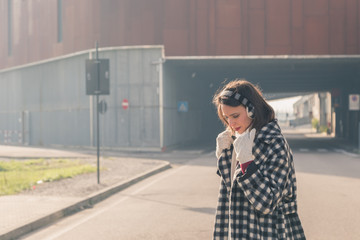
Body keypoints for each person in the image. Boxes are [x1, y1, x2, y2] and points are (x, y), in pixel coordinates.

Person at [212, 79, 306, 240]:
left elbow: (267, 203)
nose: (231, 123)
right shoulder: (237, 141)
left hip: (269, 232)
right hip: (238, 230)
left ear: (251, 110)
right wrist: (223, 156)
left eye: (235, 116)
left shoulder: (274, 143)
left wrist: (247, 163)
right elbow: (232, 192)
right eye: (227, 117)